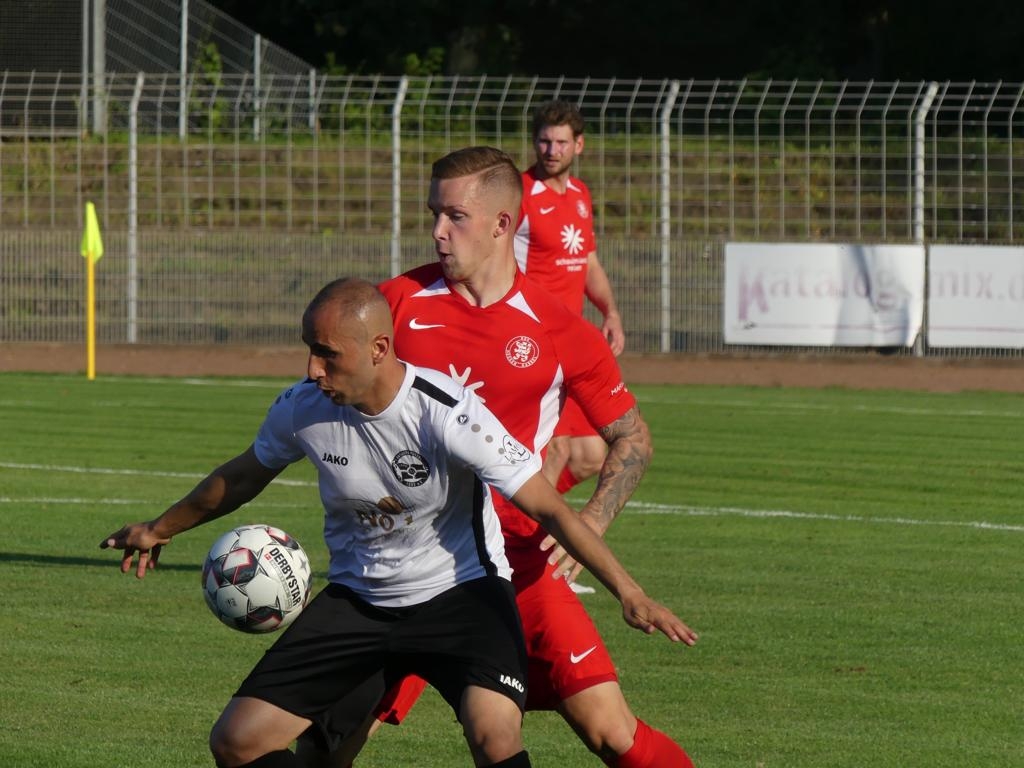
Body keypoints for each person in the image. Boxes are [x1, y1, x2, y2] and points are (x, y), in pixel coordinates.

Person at [99, 277, 695, 768]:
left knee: (495, 737)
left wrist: (631, 593)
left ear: (379, 349)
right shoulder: (303, 408)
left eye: (328, 353)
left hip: (462, 596)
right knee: (236, 741)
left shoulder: (449, 412)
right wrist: (160, 528)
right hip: (359, 601)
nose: (313, 368)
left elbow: (549, 507)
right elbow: (244, 475)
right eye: (309, 349)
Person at [303, 148, 697, 768]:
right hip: (411, 570)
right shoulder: (396, 305)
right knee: (331, 741)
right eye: (434, 213)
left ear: (502, 225)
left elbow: (634, 438)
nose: (437, 231)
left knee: (609, 729)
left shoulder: (559, 329)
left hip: (519, 567)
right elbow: (329, 400)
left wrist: (590, 523)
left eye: (455, 216)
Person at [513, 99, 623, 499]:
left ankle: (514, 514)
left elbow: (588, 262)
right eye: (544, 141)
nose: (551, 151)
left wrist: (609, 312)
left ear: (579, 145)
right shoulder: (519, 194)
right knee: (556, 447)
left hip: (570, 339)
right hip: (533, 338)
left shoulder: (580, 194)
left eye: (561, 142)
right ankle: (527, 532)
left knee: (592, 453)